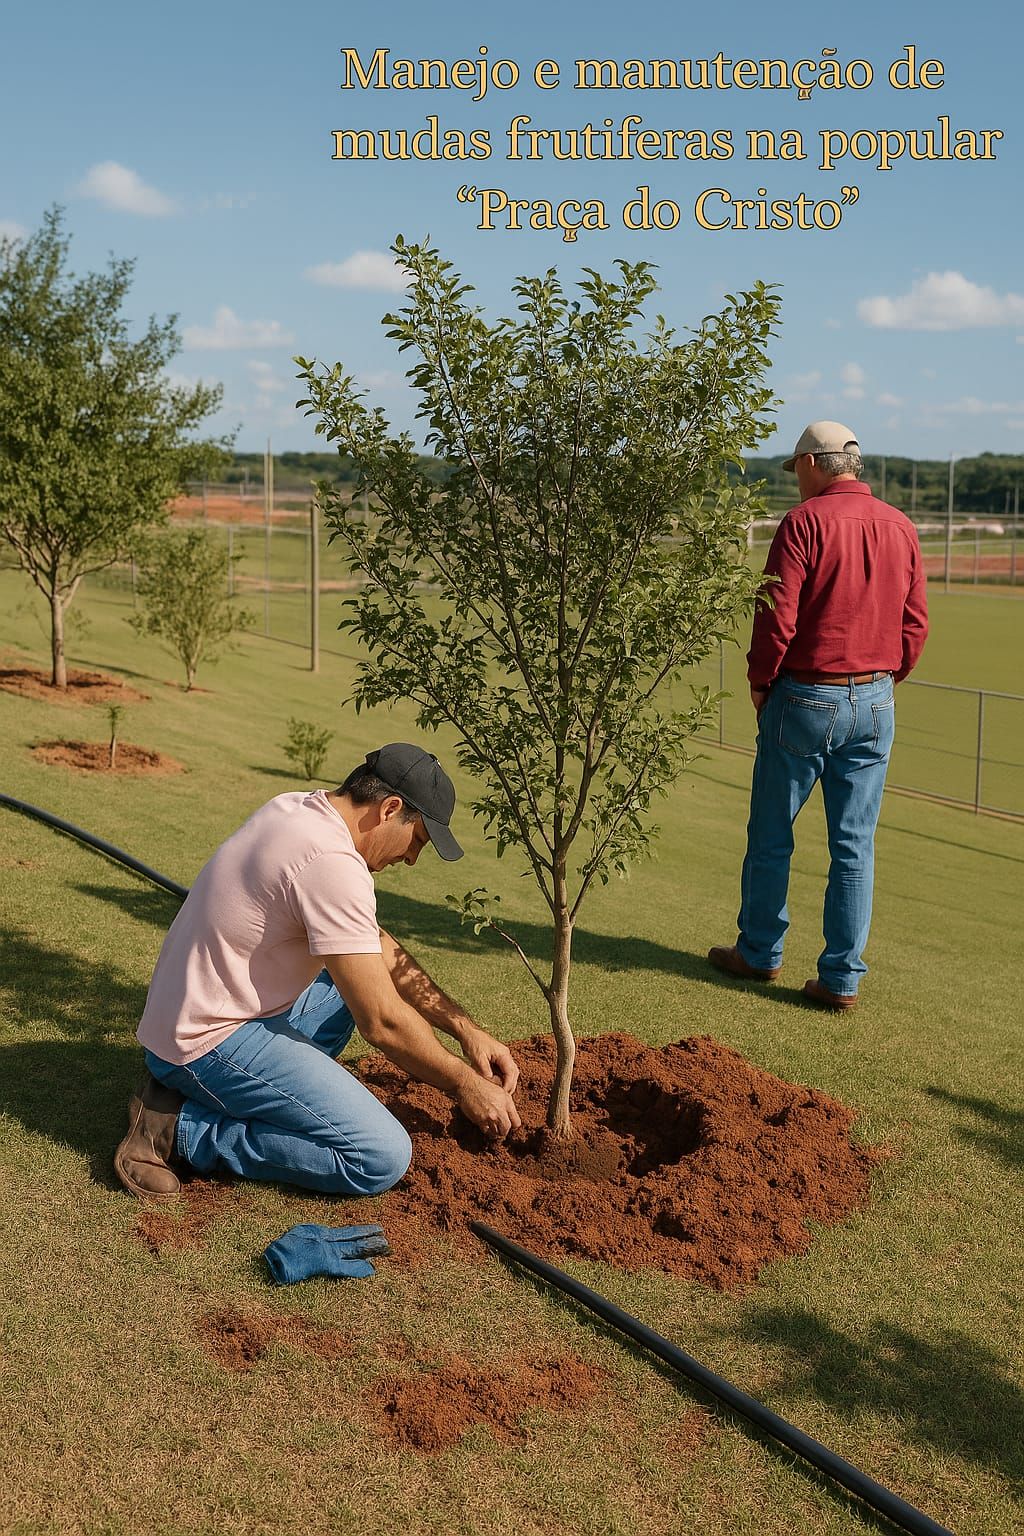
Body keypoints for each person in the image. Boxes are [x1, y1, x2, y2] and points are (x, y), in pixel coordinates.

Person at [115, 743, 522, 1200]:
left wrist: (466, 1029)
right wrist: (465, 1082)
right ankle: (177, 1128)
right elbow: (382, 1022)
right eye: (418, 841)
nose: (411, 859)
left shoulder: (299, 808)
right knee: (379, 1155)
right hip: (204, 1040)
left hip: (202, 1011)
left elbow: (375, 943)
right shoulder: (330, 864)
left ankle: (232, 1095)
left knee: (353, 972)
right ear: (390, 809)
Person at [708, 421, 929, 1009]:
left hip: (805, 697)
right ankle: (841, 980)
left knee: (772, 834)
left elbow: (776, 614)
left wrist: (761, 682)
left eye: (796, 469)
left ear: (812, 463)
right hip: (876, 698)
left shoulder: (804, 522)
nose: (796, 480)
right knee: (854, 845)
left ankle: (758, 953)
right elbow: (915, 622)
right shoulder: (900, 525)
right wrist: (884, 679)